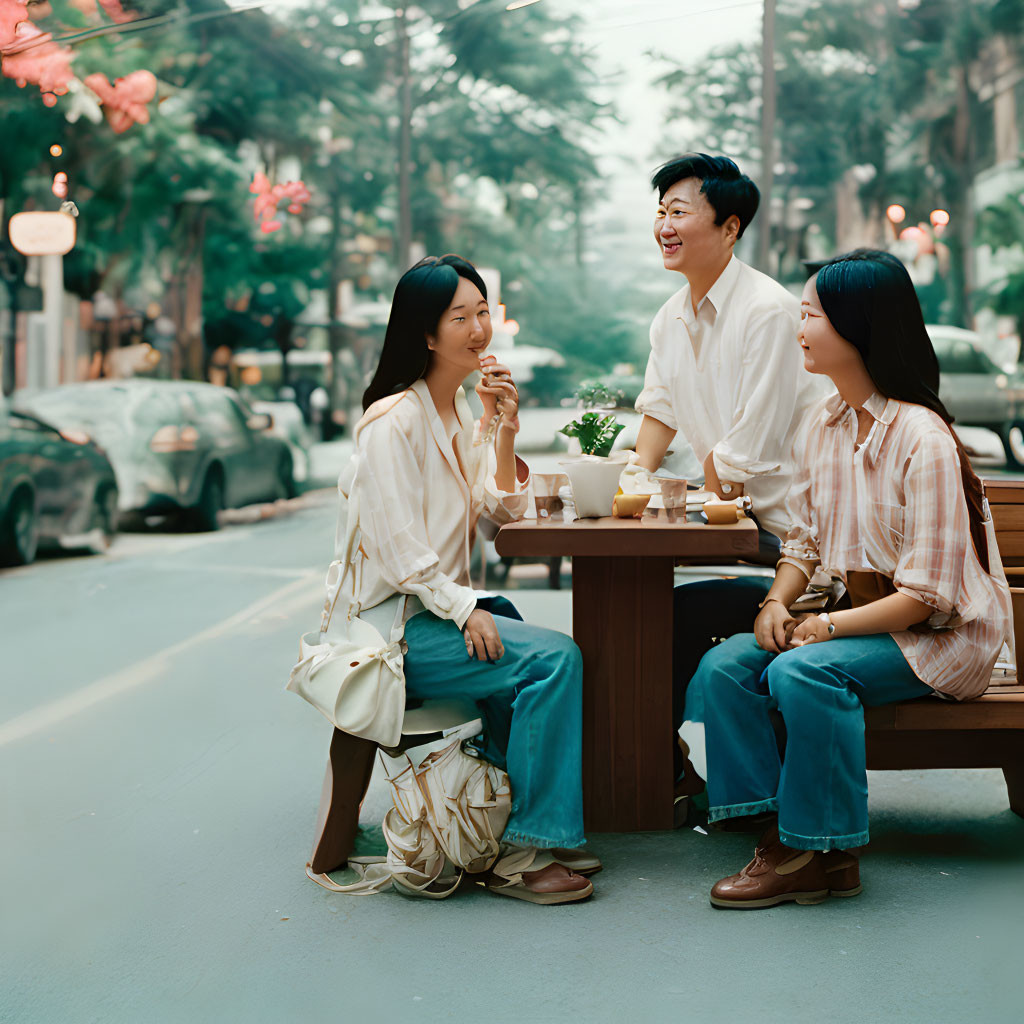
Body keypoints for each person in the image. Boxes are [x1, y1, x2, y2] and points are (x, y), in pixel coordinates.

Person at [687, 249, 1013, 909]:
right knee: (727, 667)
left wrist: (822, 627)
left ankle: (822, 847)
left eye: (811, 313)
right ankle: (781, 836)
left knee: (803, 670)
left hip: (944, 639)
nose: (798, 325)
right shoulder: (826, 424)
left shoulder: (924, 440)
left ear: (859, 326)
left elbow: (926, 600)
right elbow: (804, 540)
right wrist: (777, 603)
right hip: (862, 619)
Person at [314, 254, 596, 905]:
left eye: (483, 314)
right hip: (395, 634)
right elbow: (397, 551)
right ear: (426, 333)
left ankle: (509, 826)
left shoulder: (456, 412)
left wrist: (502, 430)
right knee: (553, 660)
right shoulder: (395, 421)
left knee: (525, 640)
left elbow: (499, 516)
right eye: (460, 317)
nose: (479, 329)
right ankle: (522, 852)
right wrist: (465, 608)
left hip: (435, 616)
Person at [625, 153, 828, 801]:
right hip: (754, 537)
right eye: (660, 212)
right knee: (643, 617)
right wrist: (631, 476)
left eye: (679, 211)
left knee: (667, 621)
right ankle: (661, 764)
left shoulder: (767, 311)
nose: (664, 224)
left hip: (802, 550)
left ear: (731, 226)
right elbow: (658, 410)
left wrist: (689, 491)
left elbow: (747, 453)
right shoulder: (670, 317)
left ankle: (672, 770)